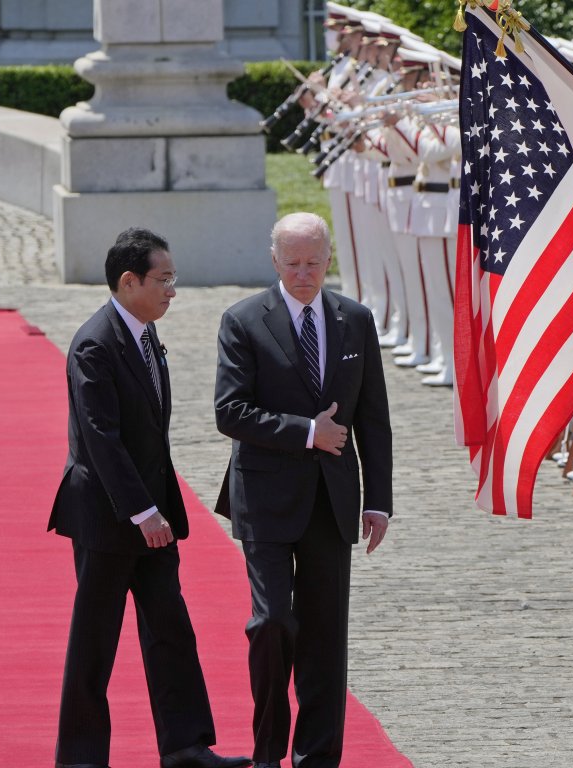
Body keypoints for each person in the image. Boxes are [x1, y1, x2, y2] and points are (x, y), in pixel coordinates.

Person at [49, 228, 249, 768]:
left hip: (153, 518)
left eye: (172, 279)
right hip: (109, 518)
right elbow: (101, 441)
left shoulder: (144, 334)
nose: (172, 290)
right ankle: (80, 758)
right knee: (95, 643)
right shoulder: (95, 343)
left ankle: (185, 747)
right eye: (163, 280)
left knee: (170, 629)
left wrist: (157, 511)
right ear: (128, 281)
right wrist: (143, 512)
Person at [214, 212, 393, 768]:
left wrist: (379, 499)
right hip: (265, 499)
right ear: (274, 261)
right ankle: (268, 752)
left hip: (331, 502)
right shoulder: (243, 320)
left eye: (313, 261)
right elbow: (230, 411)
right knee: (272, 624)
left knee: (324, 638)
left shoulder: (355, 320)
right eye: (291, 262)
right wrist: (308, 432)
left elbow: (373, 415)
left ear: (329, 258)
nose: (302, 272)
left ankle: (318, 756)